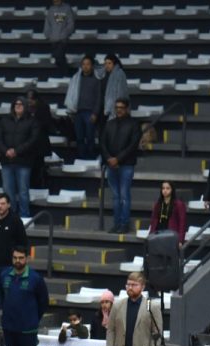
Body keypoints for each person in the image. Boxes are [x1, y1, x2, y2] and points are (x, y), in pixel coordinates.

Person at [106, 272, 163, 346]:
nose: (130, 287)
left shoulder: (151, 306)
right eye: (128, 285)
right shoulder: (118, 305)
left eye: (134, 285)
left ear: (142, 287)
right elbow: (111, 330)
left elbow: (156, 333)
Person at [1, 248, 50, 346]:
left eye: (21, 258)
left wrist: (33, 318)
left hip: (28, 330)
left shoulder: (35, 278)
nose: (18, 261)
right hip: (9, 328)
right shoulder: (4, 275)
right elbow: (1, 297)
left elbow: (43, 302)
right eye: (15, 257)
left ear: (27, 258)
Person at [0, 193, 29, 324]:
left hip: (8, 265)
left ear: (9, 205)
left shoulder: (15, 221)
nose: (0, 206)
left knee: (9, 292)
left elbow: (23, 242)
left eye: (3, 203)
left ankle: (9, 319)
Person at [100, 98, 140, 234]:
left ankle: (124, 224)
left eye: (121, 107)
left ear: (127, 108)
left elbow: (132, 145)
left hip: (126, 164)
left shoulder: (134, 124)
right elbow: (102, 143)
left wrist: (117, 159)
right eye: (117, 107)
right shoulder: (109, 124)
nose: (119, 110)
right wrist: (109, 159)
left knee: (124, 195)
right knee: (116, 196)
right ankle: (117, 223)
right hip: (112, 164)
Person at [0, 97, 39, 219]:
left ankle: (24, 217)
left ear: (25, 106)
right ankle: (11, 218)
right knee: (8, 192)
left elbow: (33, 140)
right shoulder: (5, 121)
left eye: (21, 104)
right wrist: (6, 151)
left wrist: (17, 151)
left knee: (23, 191)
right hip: (6, 161)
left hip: (23, 161)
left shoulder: (32, 121)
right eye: (16, 104)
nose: (18, 106)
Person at [64, 55, 102, 160]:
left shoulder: (96, 80)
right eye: (83, 64)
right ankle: (81, 158)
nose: (85, 66)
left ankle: (91, 158)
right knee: (79, 138)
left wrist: (95, 113)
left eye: (88, 64)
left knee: (90, 137)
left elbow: (99, 98)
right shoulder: (76, 79)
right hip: (78, 112)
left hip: (90, 113)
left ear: (92, 66)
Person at [43, 0, 76, 71]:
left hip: (62, 39)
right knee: (59, 59)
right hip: (53, 39)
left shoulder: (67, 8)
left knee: (59, 57)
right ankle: (67, 74)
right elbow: (47, 24)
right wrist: (48, 35)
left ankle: (68, 73)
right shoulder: (51, 9)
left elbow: (70, 24)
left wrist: (65, 34)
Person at [101, 55, 129, 124]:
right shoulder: (109, 75)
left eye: (109, 63)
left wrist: (118, 109)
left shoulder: (119, 74)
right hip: (112, 110)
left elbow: (121, 93)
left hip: (117, 111)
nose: (107, 65)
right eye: (105, 63)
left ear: (115, 63)